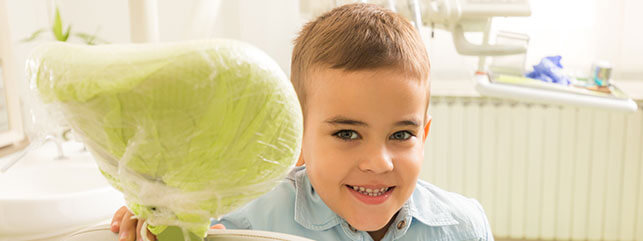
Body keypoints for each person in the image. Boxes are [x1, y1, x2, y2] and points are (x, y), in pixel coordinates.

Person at [110, 3, 493, 241]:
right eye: (347, 133)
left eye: (401, 134)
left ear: (423, 136)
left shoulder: (462, 228)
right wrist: (160, 225)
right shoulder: (243, 223)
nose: (379, 162)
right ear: (297, 136)